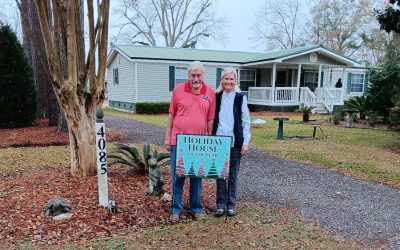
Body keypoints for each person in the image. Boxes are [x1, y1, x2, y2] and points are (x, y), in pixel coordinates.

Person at [164, 61, 216, 222]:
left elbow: (210, 118)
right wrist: (167, 137)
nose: (196, 78)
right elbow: (172, 115)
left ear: (203, 76)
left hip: (199, 143)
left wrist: (210, 138)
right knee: (178, 177)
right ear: (188, 76)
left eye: (198, 75)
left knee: (196, 176)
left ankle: (196, 208)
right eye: (193, 75)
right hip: (178, 141)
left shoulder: (210, 93)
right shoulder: (178, 90)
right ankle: (176, 210)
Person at [213, 67, 251, 217]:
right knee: (220, 174)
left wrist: (246, 142)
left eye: (231, 79)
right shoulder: (216, 96)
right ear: (221, 80)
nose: (228, 82)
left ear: (235, 81)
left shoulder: (240, 97)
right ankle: (220, 205)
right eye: (226, 79)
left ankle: (231, 205)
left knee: (233, 175)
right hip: (218, 142)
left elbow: (246, 121)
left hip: (235, 142)